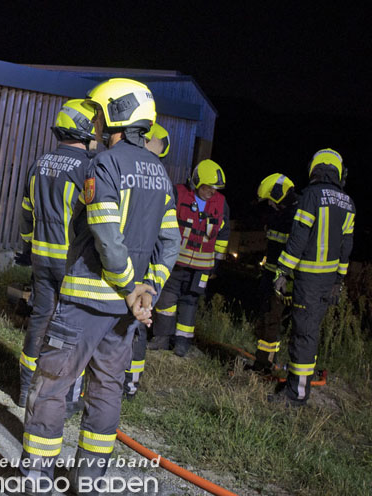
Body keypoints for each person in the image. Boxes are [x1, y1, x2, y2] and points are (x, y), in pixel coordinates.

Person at [17, 78, 180, 496]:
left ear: (115, 116)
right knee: (107, 391)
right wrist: (149, 290)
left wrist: (130, 288)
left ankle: (37, 484)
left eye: (100, 114)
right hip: (125, 316)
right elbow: (171, 241)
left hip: (86, 303)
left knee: (51, 388)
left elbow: (107, 238)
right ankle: (88, 487)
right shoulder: (160, 172)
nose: (96, 123)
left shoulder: (103, 165)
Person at [17, 99, 97, 408]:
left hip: (41, 257)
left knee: (40, 321)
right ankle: (61, 399)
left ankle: (25, 393)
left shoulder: (40, 163)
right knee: (70, 330)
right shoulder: (88, 167)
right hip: (72, 262)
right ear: (85, 129)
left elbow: (26, 214)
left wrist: (29, 246)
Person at [270, 149, 354, 406]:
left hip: (308, 278)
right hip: (328, 281)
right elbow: (346, 247)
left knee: (303, 334)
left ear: (314, 170)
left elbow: (299, 238)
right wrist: (339, 281)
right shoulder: (348, 202)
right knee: (310, 332)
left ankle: (297, 395)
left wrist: (282, 271)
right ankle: (298, 385)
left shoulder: (311, 196)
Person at [148, 159, 230, 357]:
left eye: (215, 189)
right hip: (175, 262)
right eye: (208, 187)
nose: (212, 192)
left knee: (190, 302)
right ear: (196, 181)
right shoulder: (178, 194)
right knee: (166, 300)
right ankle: (161, 338)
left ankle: (182, 343)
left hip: (202, 267)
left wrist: (216, 264)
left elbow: (224, 234)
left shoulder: (221, 203)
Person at [124, 122, 172, 398]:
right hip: (144, 267)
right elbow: (169, 241)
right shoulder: (160, 177)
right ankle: (128, 384)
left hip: (134, 267)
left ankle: (128, 382)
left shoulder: (138, 171)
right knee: (134, 326)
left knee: (134, 326)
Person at [249, 173, 298, 374]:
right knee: (268, 322)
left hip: (286, 282)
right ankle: (266, 363)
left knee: (272, 323)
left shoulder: (293, 217)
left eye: (270, 200)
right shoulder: (281, 215)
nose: (269, 204)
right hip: (273, 278)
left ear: (279, 196)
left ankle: (264, 366)